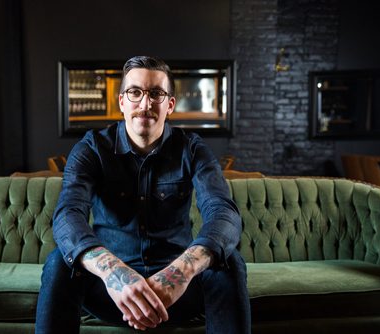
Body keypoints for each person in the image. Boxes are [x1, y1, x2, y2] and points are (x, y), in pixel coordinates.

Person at [35, 56, 251, 333]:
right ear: (122, 101)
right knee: (59, 262)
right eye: (135, 92)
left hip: (176, 294)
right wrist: (115, 273)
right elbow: (68, 214)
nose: (145, 104)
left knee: (229, 261)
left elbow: (224, 213)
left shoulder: (192, 148)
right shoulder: (91, 148)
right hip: (111, 293)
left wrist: (180, 273)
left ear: (170, 105)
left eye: (156, 94)